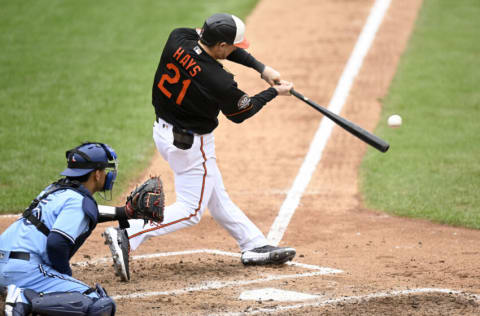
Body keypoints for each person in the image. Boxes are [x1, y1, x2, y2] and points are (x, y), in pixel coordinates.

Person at [103, 13, 296, 282]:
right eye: (232, 47)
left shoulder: (178, 38)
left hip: (163, 132)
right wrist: (274, 92)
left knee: (216, 195)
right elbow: (241, 112)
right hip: (193, 146)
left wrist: (261, 68)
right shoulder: (219, 81)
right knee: (192, 210)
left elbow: (221, 50)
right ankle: (129, 233)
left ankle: (252, 244)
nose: (235, 51)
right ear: (221, 47)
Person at [0, 142, 120, 316]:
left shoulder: (55, 190)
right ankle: (22, 299)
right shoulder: (79, 202)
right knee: (99, 304)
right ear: (97, 174)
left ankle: (17, 294)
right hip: (23, 271)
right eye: (106, 170)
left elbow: (87, 212)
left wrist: (124, 212)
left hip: (3, 262)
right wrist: (64, 276)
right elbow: (57, 243)